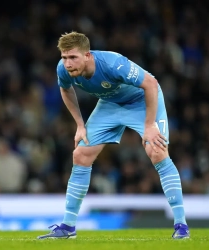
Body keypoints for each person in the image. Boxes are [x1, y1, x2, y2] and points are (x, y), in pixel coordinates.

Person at [38, 32, 190, 239]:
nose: (67, 63)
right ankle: (68, 227)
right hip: (109, 104)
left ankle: (181, 225)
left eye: (73, 57)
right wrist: (80, 125)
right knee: (80, 155)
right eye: (64, 57)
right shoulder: (63, 69)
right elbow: (65, 90)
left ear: (87, 55)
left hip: (141, 101)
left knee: (157, 151)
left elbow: (151, 84)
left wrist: (149, 125)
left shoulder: (112, 63)